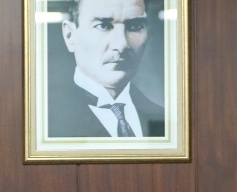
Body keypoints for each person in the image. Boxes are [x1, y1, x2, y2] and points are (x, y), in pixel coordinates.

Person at [48, 0, 166, 138]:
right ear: (70, 36)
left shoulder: (165, 121)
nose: (121, 45)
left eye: (135, 26)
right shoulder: (42, 121)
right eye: (103, 26)